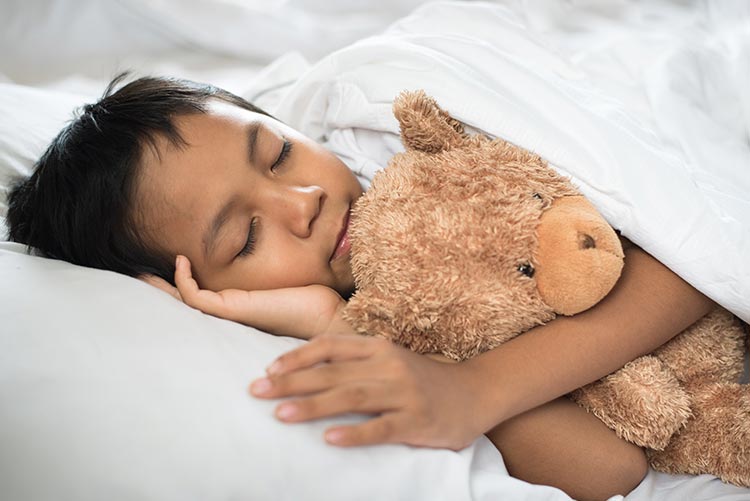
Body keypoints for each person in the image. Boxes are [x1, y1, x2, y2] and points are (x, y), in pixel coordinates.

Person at [7, 75, 714, 501]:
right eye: (244, 238)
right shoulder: (375, 312)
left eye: (278, 152)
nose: (305, 198)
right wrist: (341, 328)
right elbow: (610, 467)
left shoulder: (404, 146)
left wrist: (480, 389)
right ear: (192, 291)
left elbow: (697, 241)